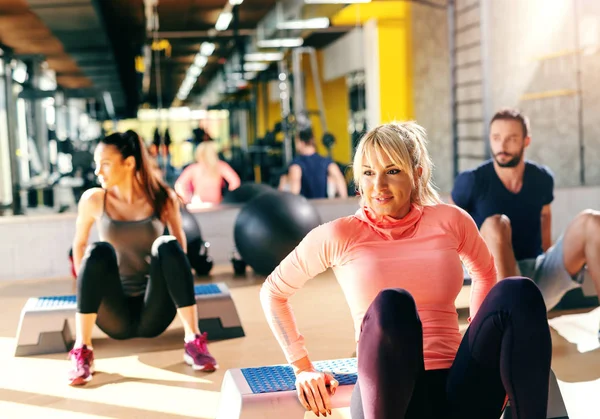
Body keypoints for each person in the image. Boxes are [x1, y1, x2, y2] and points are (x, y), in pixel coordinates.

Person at [260, 122, 552, 419]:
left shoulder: (450, 221)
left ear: (418, 174)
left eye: (393, 171)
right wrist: (302, 368)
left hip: (459, 387)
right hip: (389, 396)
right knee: (393, 303)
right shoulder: (339, 235)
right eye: (368, 173)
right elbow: (273, 292)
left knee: (519, 291)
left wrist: (479, 341)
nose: (378, 186)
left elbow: (486, 273)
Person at [69, 130, 218, 386]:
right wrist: (87, 287)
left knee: (167, 244)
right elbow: (80, 244)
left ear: (129, 163)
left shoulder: (163, 198)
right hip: (114, 314)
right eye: (97, 164)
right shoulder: (94, 200)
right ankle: (82, 348)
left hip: (155, 311)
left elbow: (179, 250)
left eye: (104, 164)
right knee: (98, 250)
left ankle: (193, 340)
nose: (97, 171)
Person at [450, 108, 600, 316]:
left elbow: (545, 215)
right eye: (496, 138)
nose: (501, 146)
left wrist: (548, 251)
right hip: (492, 278)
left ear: (526, 141)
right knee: (496, 224)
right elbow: (452, 227)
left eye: (511, 138)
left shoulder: (542, 178)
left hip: (537, 274)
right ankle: (512, 320)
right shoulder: (471, 180)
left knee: (592, 221)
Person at [287, 127, 348, 199]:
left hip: (304, 207)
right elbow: (339, 180)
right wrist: (345, 203)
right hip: (322, 206)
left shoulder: (296, 164)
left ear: (301, 143)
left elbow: (295, 189)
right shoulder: (326, 162)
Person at [175, 141, 240, 205]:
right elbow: (235, 182)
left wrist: (187, 200)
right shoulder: (220, 166)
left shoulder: (194, 168)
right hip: (216, 205)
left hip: (198, 205)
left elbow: (179, 185)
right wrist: (228, 199)